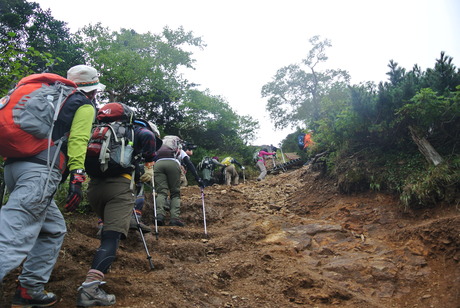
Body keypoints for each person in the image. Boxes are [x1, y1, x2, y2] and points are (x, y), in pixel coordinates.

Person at [0, 65, 104, 307]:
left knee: (53, 229)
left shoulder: (47, 96)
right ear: (92, 89)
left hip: (14, 169)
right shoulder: (82, 103)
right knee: (12, 236)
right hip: (39, 173)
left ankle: (29, 289)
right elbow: (78, 140)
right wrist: (77, 175)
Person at [76, 115, 160, 307]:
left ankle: (100, 270)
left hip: (95, 188)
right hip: (119, 188)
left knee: (107, 230)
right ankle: (90, 289)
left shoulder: (102, 131)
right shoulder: (136, 131)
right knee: (110, 239)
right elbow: (148, 137)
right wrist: (149, 164)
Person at [154, 138, 204, 227]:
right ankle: (174, 219)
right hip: (173, 164)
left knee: (161, 192)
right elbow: (188, 163)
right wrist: (198, 178)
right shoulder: (178, 149)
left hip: (158, 164)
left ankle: (159, 216)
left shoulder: (159, 147)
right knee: (175, 193)